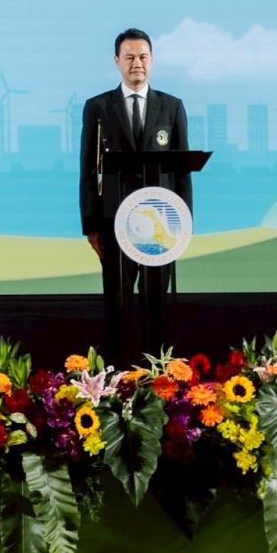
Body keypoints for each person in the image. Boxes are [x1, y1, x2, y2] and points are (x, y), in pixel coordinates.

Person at [79, 28, 191, 367]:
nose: (136, 63)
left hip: (162, 226)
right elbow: (88, 170)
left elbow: (182, 172)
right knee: (118, 305)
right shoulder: (98, 107)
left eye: (143, 57)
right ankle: (116, 377)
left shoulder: (172, 107)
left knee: (156, 304)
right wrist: (90, 226)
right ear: (117, 61)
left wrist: (183, 224)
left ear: (152, 60)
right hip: (114, 224)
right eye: (129, 57)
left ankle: (156, 376)